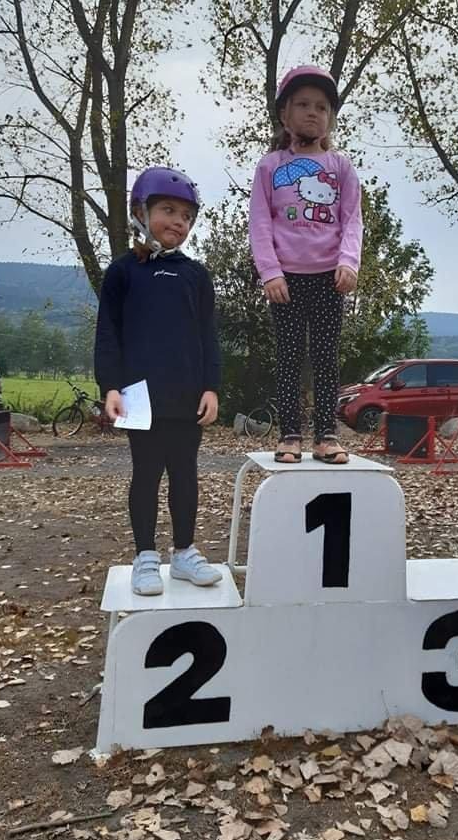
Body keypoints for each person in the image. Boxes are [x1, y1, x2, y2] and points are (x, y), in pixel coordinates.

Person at [94, 167, 222, 595]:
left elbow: (207, 336)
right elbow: (108, 333)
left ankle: (184, 553)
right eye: (168, 210)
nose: (178, 222)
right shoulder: (122, 272)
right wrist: (110, 386)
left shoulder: (196, 275)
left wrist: (211, 386)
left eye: (186, 216)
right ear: (140, 213)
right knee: (146, 475)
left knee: (185, 475)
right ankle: (145, 557)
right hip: (139, 396)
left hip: (187, 396)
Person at [249, 64, 362, 464]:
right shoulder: (270, 167)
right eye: (302, 105)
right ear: (285, 114)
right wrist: (270, 272)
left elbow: (352, 220)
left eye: (321, 107)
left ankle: (326, 435)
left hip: (329, 279)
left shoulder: (341, 168)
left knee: (326, 358)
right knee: (290, 358)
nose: (312, 113)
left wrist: (349, 262)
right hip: (286, 281)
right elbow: (260, 223)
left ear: (330, 118)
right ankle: (290, 434)